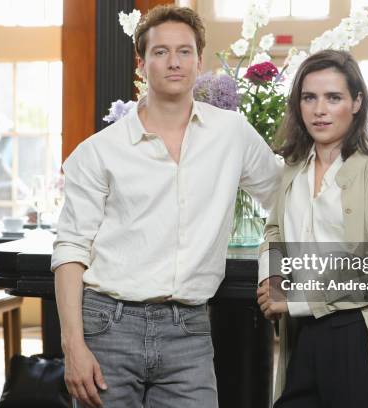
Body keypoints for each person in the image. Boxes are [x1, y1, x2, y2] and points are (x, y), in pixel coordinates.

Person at [51, 5, 281, 408]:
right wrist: (73, 348)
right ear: (141, 64)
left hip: (189, 330)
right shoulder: (99, 152)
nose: (173, 62)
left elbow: (286, 201)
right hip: (108, 326)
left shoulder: (232, 134)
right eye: (160, 52)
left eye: (184, 51)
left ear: (200, 60)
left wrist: (275, 266)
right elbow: (70, 251)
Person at [256, 50, 368, 408]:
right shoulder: (291, 170)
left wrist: (295, 299)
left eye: (333, 97)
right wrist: (271, 279)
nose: (319, 109)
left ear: (356, 103)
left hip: (362, 334)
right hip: (304, 335)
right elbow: (274, 232)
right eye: (309, 97)